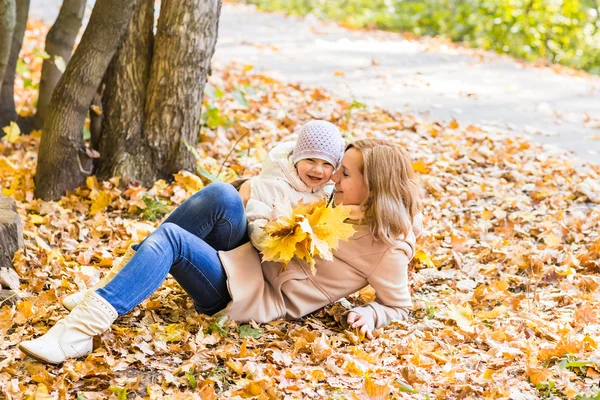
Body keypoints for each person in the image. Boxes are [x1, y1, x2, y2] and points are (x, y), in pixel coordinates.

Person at [19, 139, 423, 364]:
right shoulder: (341, 200)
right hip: (252, 258)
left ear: (375, 186)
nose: (333, 176)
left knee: (173, 239)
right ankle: (111, 286)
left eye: (345, 172)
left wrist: (371, 312)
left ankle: (78, 333)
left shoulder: (388, 247)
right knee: (222, 195)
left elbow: (399, 305)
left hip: (254, 296)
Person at [61, 119, 345, 310]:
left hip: (254, 285)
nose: (318, 170)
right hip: (248, 253)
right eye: (310, 160)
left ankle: (109, 290)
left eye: (326, 164)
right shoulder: (274, 182)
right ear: (296, 159)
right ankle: (111, 284)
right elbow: (257, 225)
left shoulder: (333, 197)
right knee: (222, 193)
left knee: (176, 234)